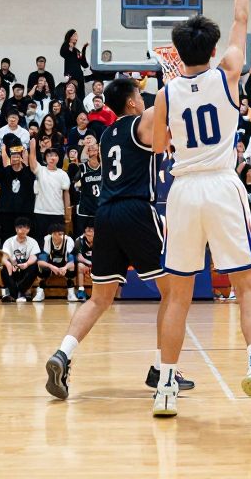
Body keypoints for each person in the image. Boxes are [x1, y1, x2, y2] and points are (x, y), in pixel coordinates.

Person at [150, 0, 251, 422]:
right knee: (245, 287)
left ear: (176, 51)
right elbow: (242, 21)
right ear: (211, 46)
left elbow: (160, 144)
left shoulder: (166, 92)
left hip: (183, 190)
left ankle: (165, 386)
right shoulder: (228, 70)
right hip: (223, 186)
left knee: (178, 295)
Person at [46, 77, 197, 403]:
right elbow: (163, 121)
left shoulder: (107, 134)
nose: (143, 99)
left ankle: (63, 353)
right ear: (131, 102)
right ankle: (162, 369)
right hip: (135, 210)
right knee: (172, 294)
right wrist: (174, 79)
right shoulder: (141, 121)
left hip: (106, 216)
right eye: (139, 95)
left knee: (99, 298)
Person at [28, 137, 71, 243]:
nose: (53, 158)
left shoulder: (63, 174)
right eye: (49, 155)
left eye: (55, 155)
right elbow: (32, 161)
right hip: (40, 211)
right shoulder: (40, 170)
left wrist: (67, 212)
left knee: (57, 241)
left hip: (57, 212)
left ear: (58, 158)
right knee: (41, 240)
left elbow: (66, 194)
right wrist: (32, 147)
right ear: (45, 158)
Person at [1, 217, 40, 302]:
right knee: (4, 269)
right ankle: (15, 294)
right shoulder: (9, 241)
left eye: (26, 227)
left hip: (25, 267)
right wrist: (9, 264)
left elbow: (34, 257)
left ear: (29, 229)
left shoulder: (33, 242)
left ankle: (19, 292)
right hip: (13, 267)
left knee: (34, 266)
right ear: (16, 229)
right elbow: (4, 258)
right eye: (20, 227)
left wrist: (26, 264)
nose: (23, 230)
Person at [38, 222, 78, 302]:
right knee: (42, 259)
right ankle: (40, 291)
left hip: (64, 263)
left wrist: (65, 268)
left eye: (60, 234)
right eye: (55, 234)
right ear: (51, 234)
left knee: (72, 259)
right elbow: (40, 262)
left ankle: (71, 291)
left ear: (63, 234)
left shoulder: (68, 240)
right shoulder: (46, 239)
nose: (57, 236)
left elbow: (72, 262)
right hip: (51, 264)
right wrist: (51, 267)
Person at [75, 222, 94, 300]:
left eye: (91, 233)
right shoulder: (79, 240)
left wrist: (93, 264)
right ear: (84, 233)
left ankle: (96, 293)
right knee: (80, 266)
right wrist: (89, 263)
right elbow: (79, 257)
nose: (89, 236)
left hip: (96, 262)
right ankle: (81, 290)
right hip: (84, 262)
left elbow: (102, 256)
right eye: (87, 234)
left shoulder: (101, 240)